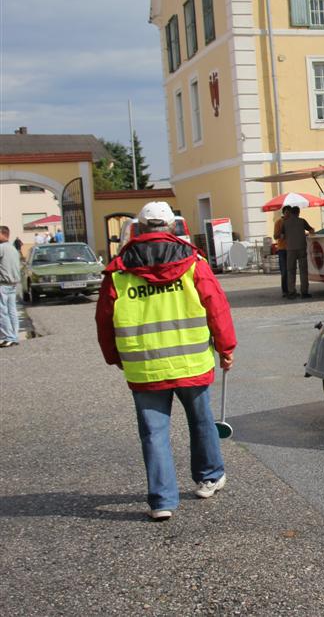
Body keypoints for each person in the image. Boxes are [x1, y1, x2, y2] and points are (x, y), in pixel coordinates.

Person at [95, 201, 237, 519]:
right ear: (171, 227)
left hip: (145, 366)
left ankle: (162, 501)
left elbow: (104, 319)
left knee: (153, 433)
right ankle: (209, 477)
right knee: (201, 422)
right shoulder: (193, 262)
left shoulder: (118, 269)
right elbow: (216, 305)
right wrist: (226, 347)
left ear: (141, 229)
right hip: (192, 362)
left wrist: (113, 356)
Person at [283, 205, 315, 299]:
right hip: (301, 248)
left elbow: (281, 235)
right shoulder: (302, 221)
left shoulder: (285, 223)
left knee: (290, 271)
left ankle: (291, 292)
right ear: (298, 213)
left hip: (290, 249)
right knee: (303, 271)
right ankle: (304, 292)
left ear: (291, 212)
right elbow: (311, 230)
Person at [0, 226, 21, 348]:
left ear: (3, 234)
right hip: (12, 285)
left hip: (3, 285)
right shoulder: (13, 248)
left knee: (2, 312)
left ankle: (9, 337)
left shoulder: (2, 248)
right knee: (12, 311)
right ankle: (14, 336)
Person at [272, 206, 290, 298]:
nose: (288, 214)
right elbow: (275, 236)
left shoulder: (292, 222)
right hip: (282, 249)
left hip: (291, 249)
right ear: (283, 213)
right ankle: (285, 291)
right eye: (287, 212)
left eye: (289, 212)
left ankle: (291, 289)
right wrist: (281, 235)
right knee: (284, 271)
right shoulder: (279, 222)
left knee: (291, 271)